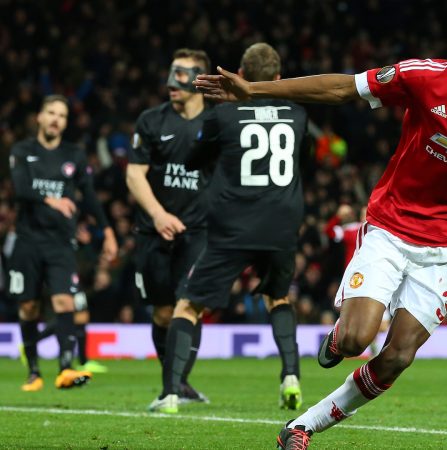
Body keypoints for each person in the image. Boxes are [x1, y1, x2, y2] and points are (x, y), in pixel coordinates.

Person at [195, 2, 447, 447]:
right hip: (391, 226)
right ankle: (340, 337)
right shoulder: (424, 75)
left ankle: (302, 427)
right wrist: (255, 90)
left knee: (397, 357)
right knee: (358, 337)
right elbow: (342, 89)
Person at [148, 43, 307, 414]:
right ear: (278, 79)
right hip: (282, 223)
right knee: (278, 298)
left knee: (187, 306)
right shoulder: (298, 115)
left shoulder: (224, 116)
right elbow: (305, 159)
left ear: (239, 74)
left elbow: (192, 159)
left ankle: (170, 394)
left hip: (233, 226)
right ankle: (290, 377)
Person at [8, 95, 117, 391]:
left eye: (62, 115)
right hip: (28, 241)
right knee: (29, 306)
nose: (56, 119)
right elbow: (20, 187)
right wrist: (51, 200)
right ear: (40, 118)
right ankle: (33, 371)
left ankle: (65, 368)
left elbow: (91, 197)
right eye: (51, 113)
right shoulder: (22, 150)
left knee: (64, 301)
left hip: (59, 242)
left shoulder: (74, 155)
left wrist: (107, 230)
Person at [127, 48, 213, 405]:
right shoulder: (151, 121)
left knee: (189, 306)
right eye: (171, 72)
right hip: (153, 231)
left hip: (199, 231)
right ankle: (176, 380)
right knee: (163, 311)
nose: (171, 82)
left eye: (181, 75)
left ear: (199, 82)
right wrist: (158, 215)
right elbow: (134, 174)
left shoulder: (217, 123)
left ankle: (176, 384)